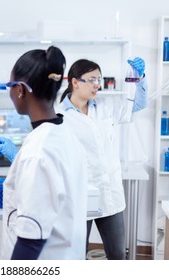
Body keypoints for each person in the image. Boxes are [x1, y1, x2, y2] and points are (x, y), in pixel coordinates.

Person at [0, 46, 89, 260]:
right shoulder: (66, 135)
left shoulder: (38, 152)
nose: (9, 92)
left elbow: (30, 242)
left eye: (10, 86)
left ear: (20, 90)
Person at [58, 57, 148, 260]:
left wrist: (140, 78)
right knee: (77, 254)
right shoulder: (60, 116)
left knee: (117, 254)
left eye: (98, 79)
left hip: (110, 195)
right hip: (80, 197)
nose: (97, 85)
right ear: (74, 82)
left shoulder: (106, 107)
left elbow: (140, 104)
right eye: (91, 80)